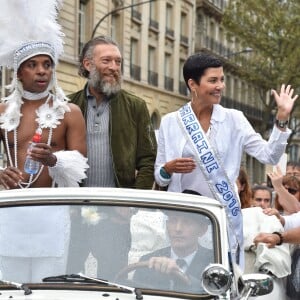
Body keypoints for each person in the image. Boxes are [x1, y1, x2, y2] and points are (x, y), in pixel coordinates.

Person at [154, 52, 298, 269]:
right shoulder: (170, 122)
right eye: (213, 80)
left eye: (222, 80)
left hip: (222, 215)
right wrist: (167, 169)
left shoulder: (234, 119)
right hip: (183, 217)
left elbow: (269, 155)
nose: (220, 86)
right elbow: (160, 177)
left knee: (220, 275)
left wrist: (282, 118)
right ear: (193, 84)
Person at [0, 0, 88, 282]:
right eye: (33, 65)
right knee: (12, 288)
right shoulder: (2, 112)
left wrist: (53, 159)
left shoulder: (69, 113)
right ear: (19, 72)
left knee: (45, 289)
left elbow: (81, 167)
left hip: (52, 215)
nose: (42, 71)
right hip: (11, 213)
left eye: (47, 65)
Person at [68, 35, 157, 189]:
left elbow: (149, 161)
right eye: (106, 60)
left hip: (119, 206)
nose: (114, 67)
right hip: (75, 203)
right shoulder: (67, 105)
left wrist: (132, 202)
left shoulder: (136, 106)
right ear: (88, 64)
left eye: (118, 62)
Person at [133, 210, 213, 292]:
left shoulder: (213, 262)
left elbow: (215, 292)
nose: (178, 229)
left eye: (187, 222)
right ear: (167, 225)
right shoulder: (147, 261)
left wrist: (182, 275)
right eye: (173, 221)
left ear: (203, 230)